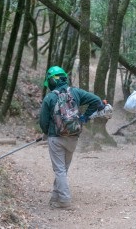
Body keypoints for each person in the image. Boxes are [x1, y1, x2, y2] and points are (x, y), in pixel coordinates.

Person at [39, 66, 105, 210]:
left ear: (51, 81)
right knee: (63, 169)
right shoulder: (75, 92)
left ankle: (64, 200)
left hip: (55, 137)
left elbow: (43, 121)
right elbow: (97, 101)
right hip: (73, 137)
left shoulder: (50, 97)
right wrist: (84, 118)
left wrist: (46, 132)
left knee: (59, 170)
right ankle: (55, 197)